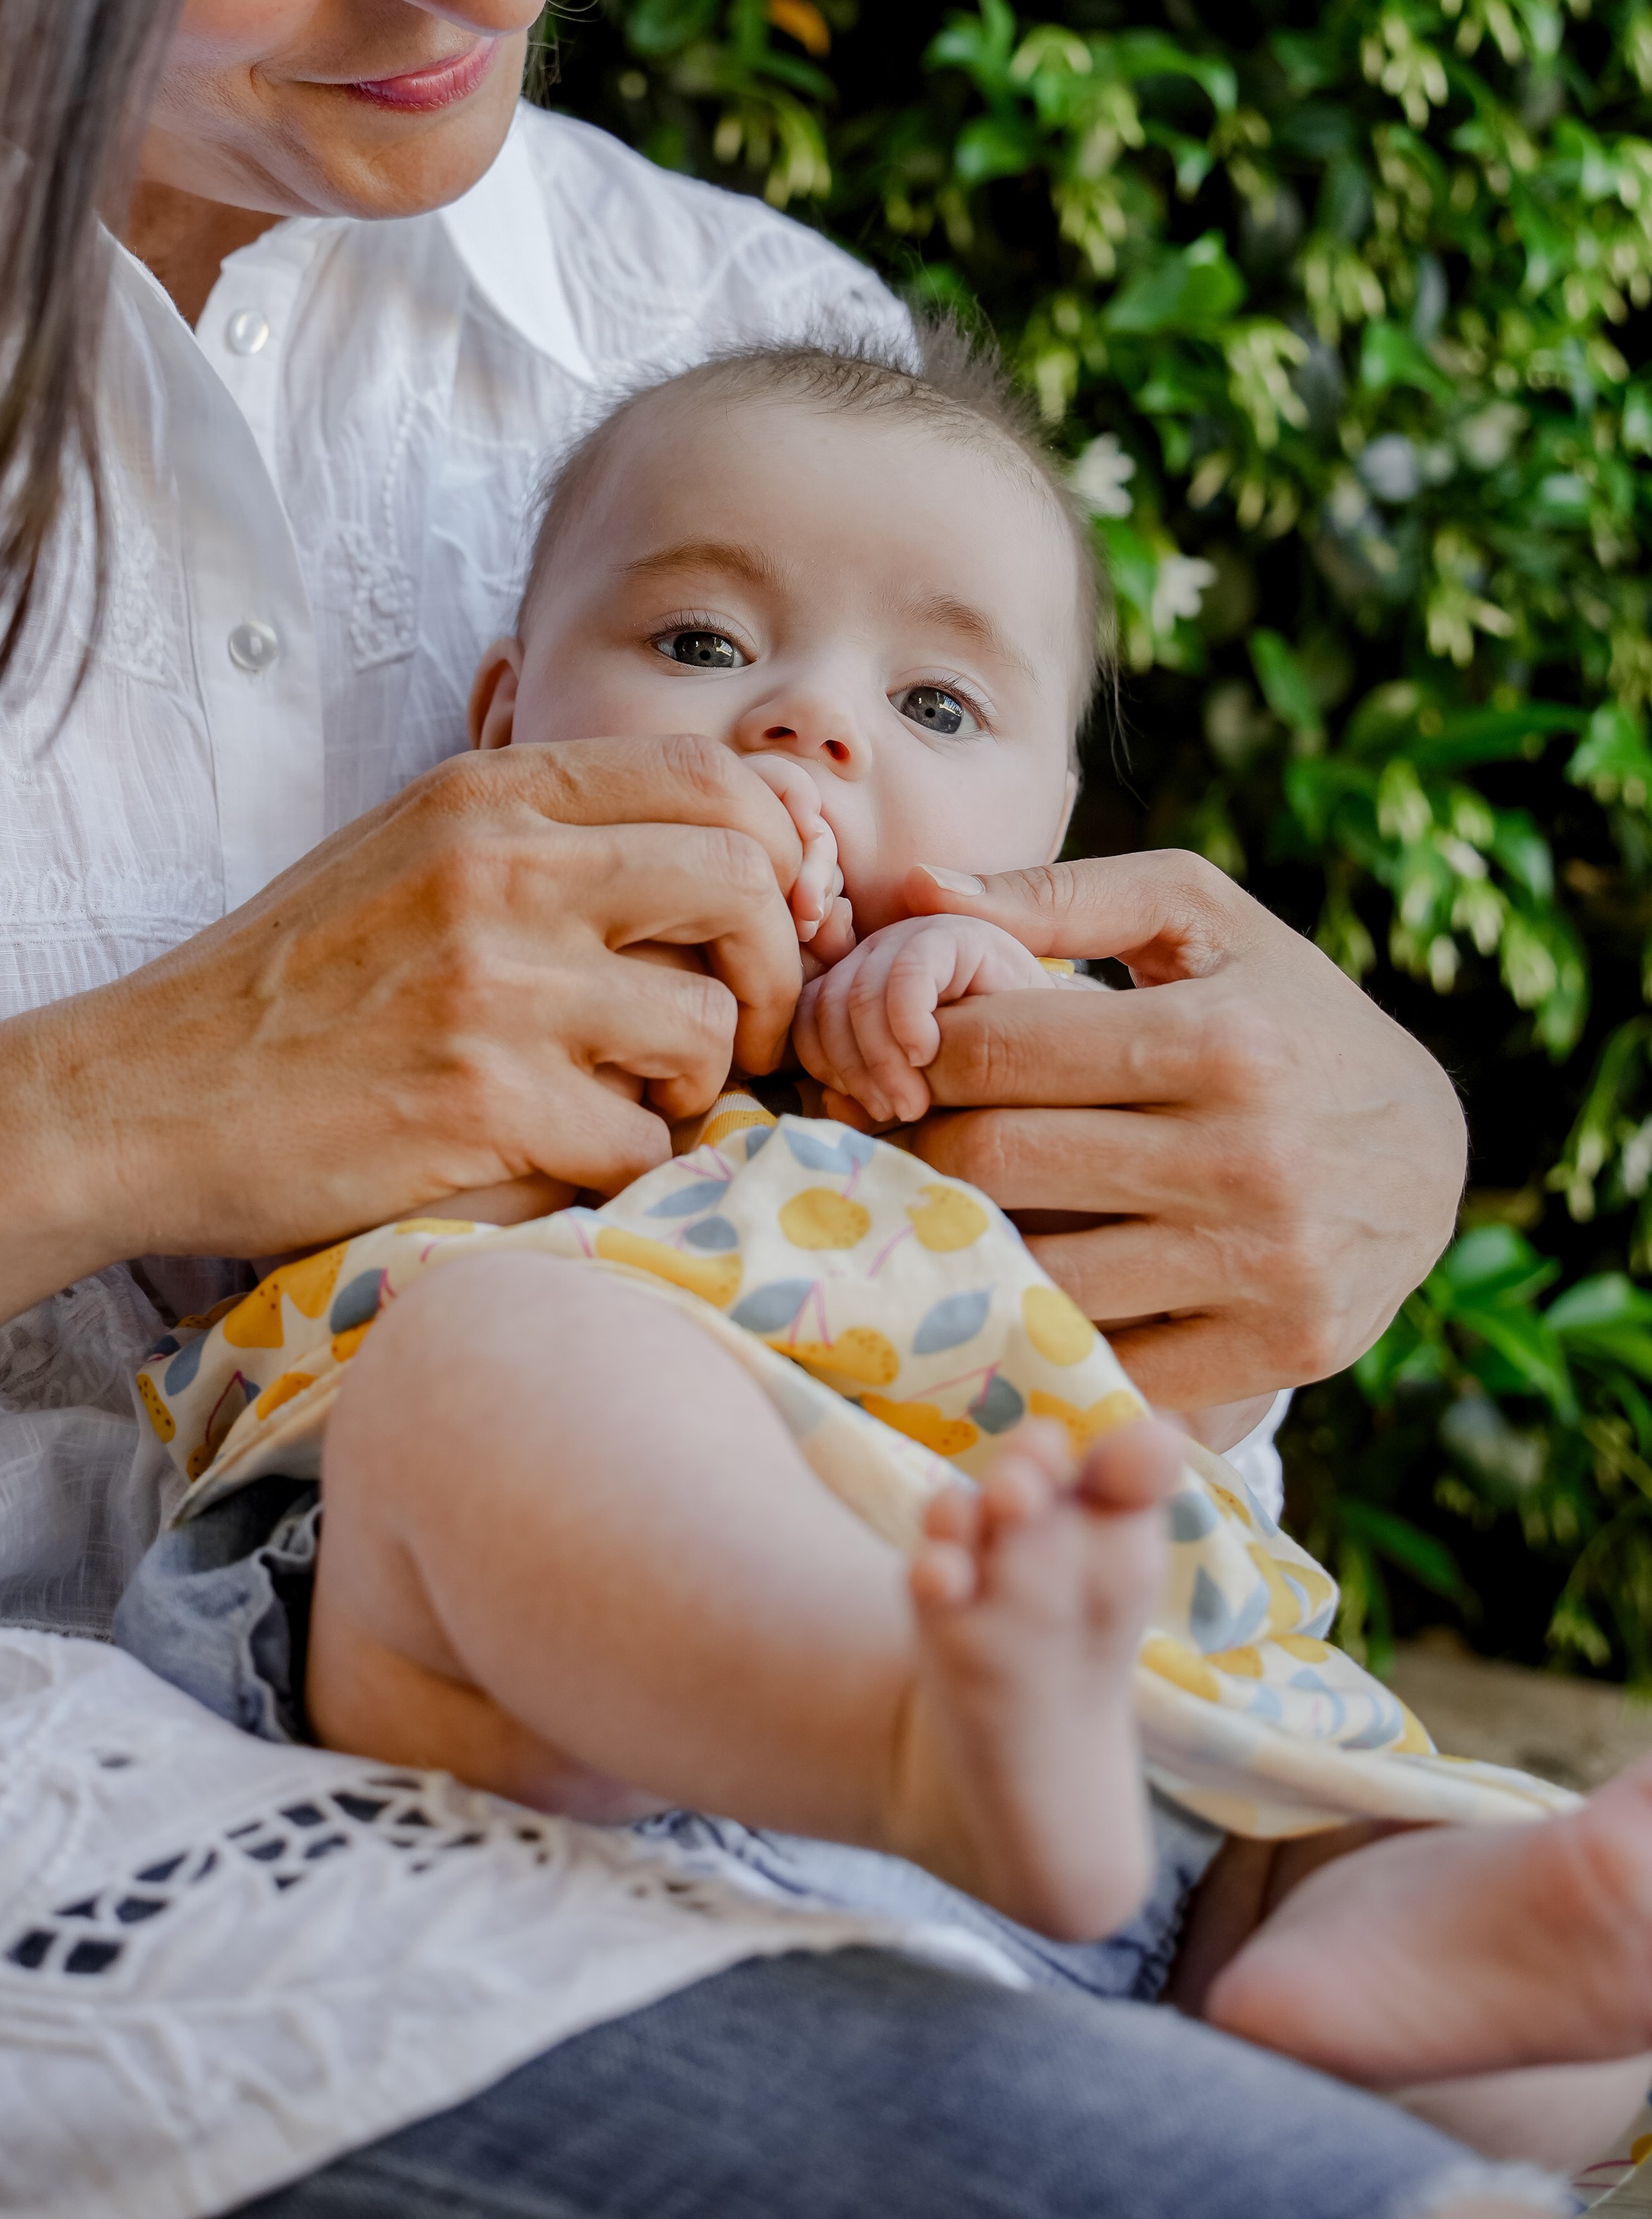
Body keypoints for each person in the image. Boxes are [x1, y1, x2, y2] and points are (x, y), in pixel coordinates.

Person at [0, 0, 1553, 2214]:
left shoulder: (740, 370)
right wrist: (129, 1098)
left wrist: (1343, 1163)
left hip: (941, 1775)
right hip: (4, 1860)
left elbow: (1053, 1217)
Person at [116, 331, 1651, 2185]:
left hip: (1116, 1774)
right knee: (498, 1359)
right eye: (699, 645)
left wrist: (970, 1007)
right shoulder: (453, 987)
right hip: (526, 1710)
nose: (810, 722)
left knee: (1349, 1841)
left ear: (1047, 841)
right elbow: (235, 1227)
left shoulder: (1027, 1081)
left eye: (934, 707)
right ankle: (914, 1719)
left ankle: (1411, 1946)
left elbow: (1198, 1386)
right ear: (502, 719)